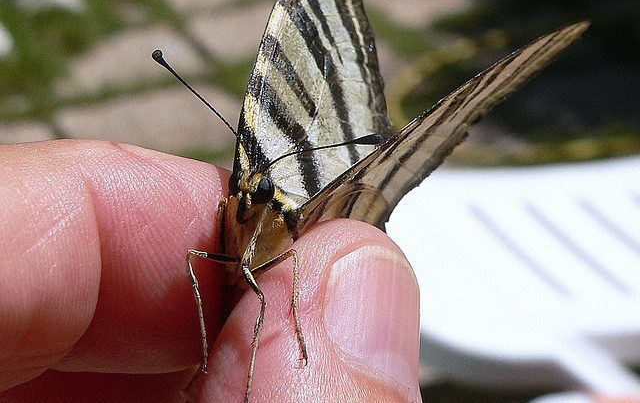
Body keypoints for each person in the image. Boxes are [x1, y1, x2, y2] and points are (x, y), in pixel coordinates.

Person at [0, 140, 421, 402]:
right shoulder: (239, 206)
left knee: (268, 289)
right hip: (222, 291)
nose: (244, 199)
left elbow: (290, 258)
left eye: (255, 195)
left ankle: (256, 365)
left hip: (281, 266)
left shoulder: (277, 218)